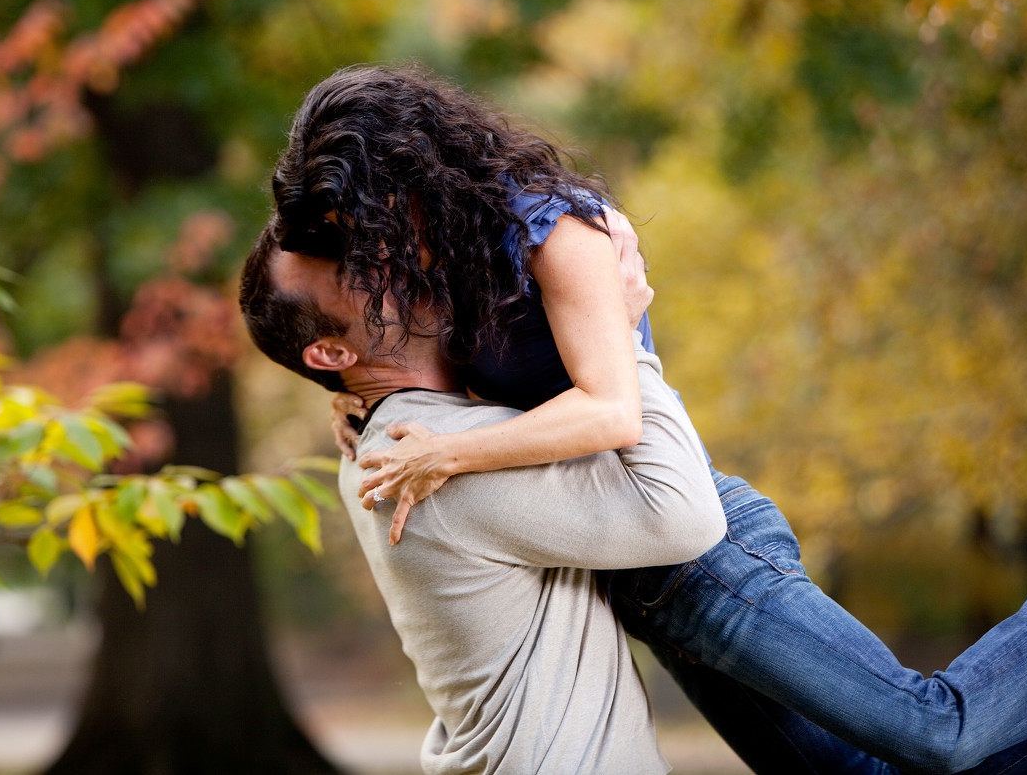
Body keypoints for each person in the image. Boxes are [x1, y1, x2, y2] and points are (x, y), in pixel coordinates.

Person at [267, 63, 1027, 774]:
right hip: (641, 571)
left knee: (935, 733)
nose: (370, 253)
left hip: (702, 551)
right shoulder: (438, 268)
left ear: (413, 171)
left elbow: (611, 412)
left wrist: (445, 456)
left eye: (366, 226)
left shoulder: (557, 234)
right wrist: (361, 404)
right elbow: (419, 371)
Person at [241, 225, 727, 774]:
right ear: (331, 352)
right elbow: (682, 514)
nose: (389, 258)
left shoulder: (383, 438)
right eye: (355, 273)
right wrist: (616, 335)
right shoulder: (431, 461)